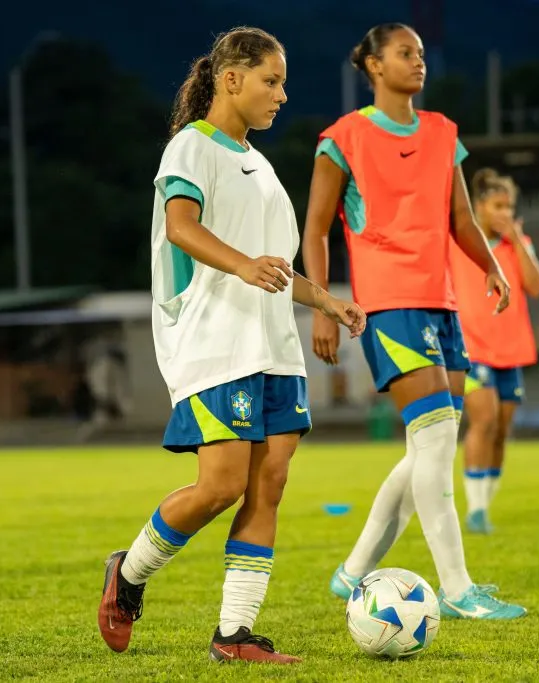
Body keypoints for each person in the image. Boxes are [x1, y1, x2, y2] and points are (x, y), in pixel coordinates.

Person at [96, 27, 366, 665]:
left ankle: (235, 635)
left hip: (274, 345)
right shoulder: (191, 148)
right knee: (219, 485)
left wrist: (324, 299)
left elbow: (273, 266)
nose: (282, 94)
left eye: (282, 82)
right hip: (216, 341)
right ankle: (128, 574)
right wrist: (244, 266)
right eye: (271, 81)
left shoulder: (263, 166)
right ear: (231, 79)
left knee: (268, 485)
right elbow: (181, 227)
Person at [302, 23, 526, 620]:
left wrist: (491, 267)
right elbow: (317, 228)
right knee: (432, 442)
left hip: (442, 301)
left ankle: (352, 572)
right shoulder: (343, 138)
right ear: (374, 65)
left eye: (421, 53)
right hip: (387, 302)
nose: (417, 61)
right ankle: (456, 590)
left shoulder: (442, 132)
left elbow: (459, 217)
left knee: (432, 445)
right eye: (405, 53)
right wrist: (324, 304)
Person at [454, 170, 539, 535]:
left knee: (502, 430)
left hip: (511, 350)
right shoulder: (459, 241)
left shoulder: (517, 242)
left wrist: (517, 241)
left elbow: (537, 286)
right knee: (485, 420)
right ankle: (474, 510)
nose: (505, 212)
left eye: (509, 206)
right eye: (498, 206)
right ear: (479, 206)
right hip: (471, 348)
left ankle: (484, 506)